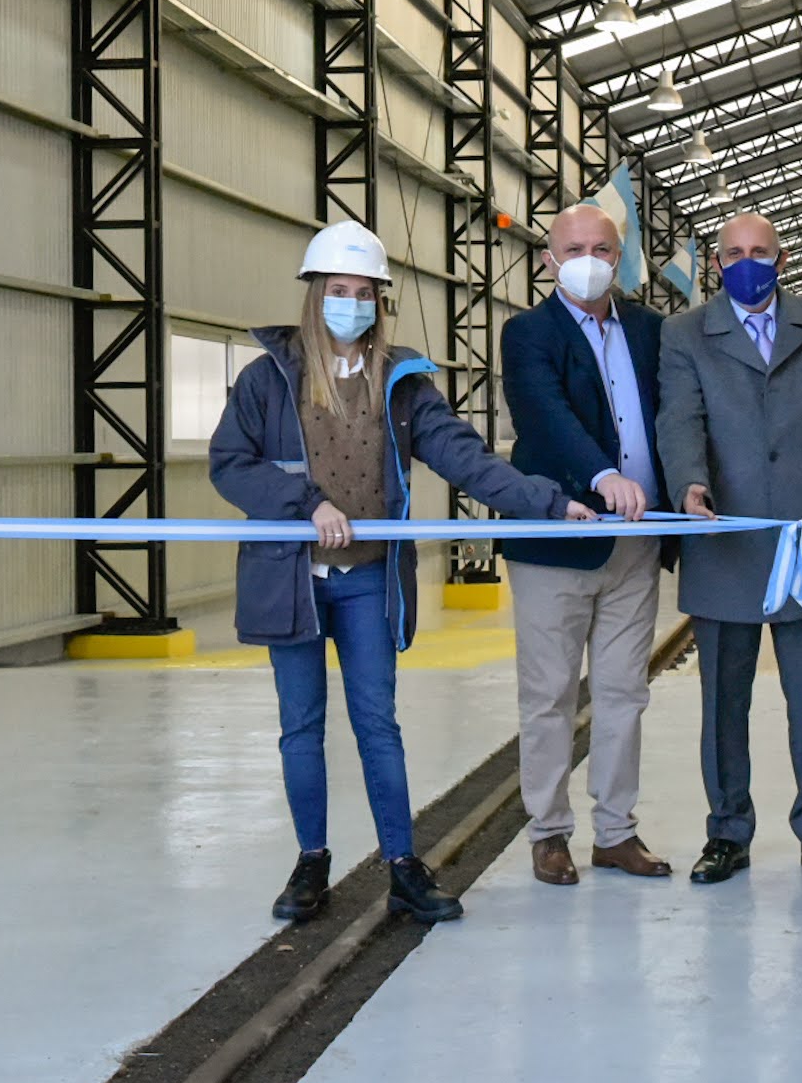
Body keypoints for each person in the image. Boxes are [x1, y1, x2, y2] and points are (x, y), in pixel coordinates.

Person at [210, 219, 596, 925]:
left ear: (381, 301)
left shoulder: (403, 383)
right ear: (314, 294)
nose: (351, 303)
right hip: (291, 576)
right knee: (300, 726)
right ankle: (311, 863)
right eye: (338, 290)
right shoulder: (267, 380)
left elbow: (468, 460)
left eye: (365, 292)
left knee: (377, 723)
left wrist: (552, 502)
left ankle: (401, 865)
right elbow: (231, 465)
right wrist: (307, 504)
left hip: (367, 577)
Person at [655, 212, 802, 886]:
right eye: (734, 253)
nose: (747, 262)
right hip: (725, 538)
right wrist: (690, 486)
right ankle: (727, 832)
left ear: (782, 260)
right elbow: (679, 420)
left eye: (760, 252)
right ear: (715, 264)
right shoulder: (685, 334)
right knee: (724, 701)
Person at [500, 204, 673, 886]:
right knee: (548, 694)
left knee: (626, 691)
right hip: (557, 544)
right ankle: (548, 831)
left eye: (603, 247)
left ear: (620, 256)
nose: (589, 259)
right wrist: (604, 475)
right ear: (548, 258)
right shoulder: (527, 334)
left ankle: (615, 831)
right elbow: (545, 413)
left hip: (638, 542)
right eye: (575, 247)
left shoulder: (653, 333)